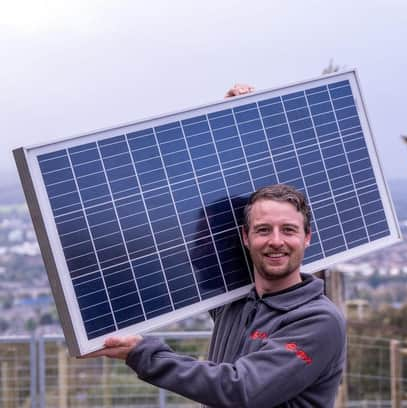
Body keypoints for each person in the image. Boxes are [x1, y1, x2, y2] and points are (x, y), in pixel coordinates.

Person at [83, 86, 347, 407]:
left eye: (288, 230)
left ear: (307, 237)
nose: (276, 241)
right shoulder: (235, 302)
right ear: (246, 237)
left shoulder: (318, 320)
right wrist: (227, 125)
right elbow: (212, 210)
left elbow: (240, 389)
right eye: (263, 230)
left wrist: (144, 354)